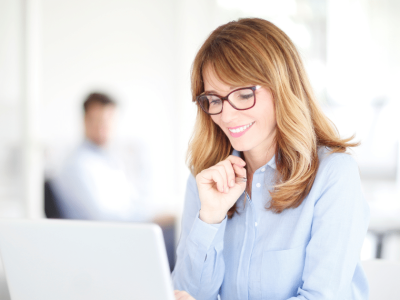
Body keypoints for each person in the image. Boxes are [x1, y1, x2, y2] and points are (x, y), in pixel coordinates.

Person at [172, 18, 370, 300]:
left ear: (283, 87)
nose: (226, 116)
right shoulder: (207, 178)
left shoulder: (333, 173)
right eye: (214, 100)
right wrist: (210, 219)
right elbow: (185, 294)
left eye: (243, 95)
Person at [51, 92, 149, 222]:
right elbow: (101, 218)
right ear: (85, 120)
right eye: (98, 120)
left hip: (124, 230)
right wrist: (152, 219)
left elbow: (129, 204)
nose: (104, 127)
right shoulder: (76, 165)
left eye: (109, 120)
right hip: (103, 235)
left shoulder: (109, 160)